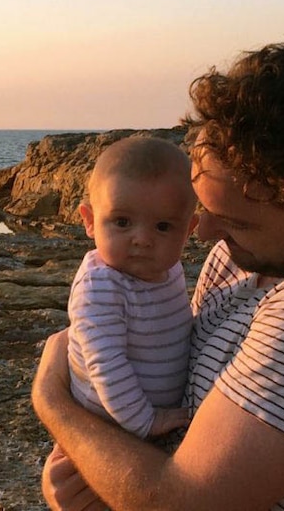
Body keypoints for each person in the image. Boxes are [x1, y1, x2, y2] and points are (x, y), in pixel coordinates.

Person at [31, 29, 284, 510]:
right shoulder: (267, 246)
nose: (201, 234)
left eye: (234, 222)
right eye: (204, 206)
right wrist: (98, 470)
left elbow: (182, 504)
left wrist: (53, 402)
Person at [68, 137, 198, 440]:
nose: (142, 239)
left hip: (148, 415)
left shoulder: (171, 269)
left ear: (188, 231)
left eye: (163, 226)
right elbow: (106, 365)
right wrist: (146, 421)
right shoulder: (101, 285)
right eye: (122, 222)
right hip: (108, 424)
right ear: (89, 221)